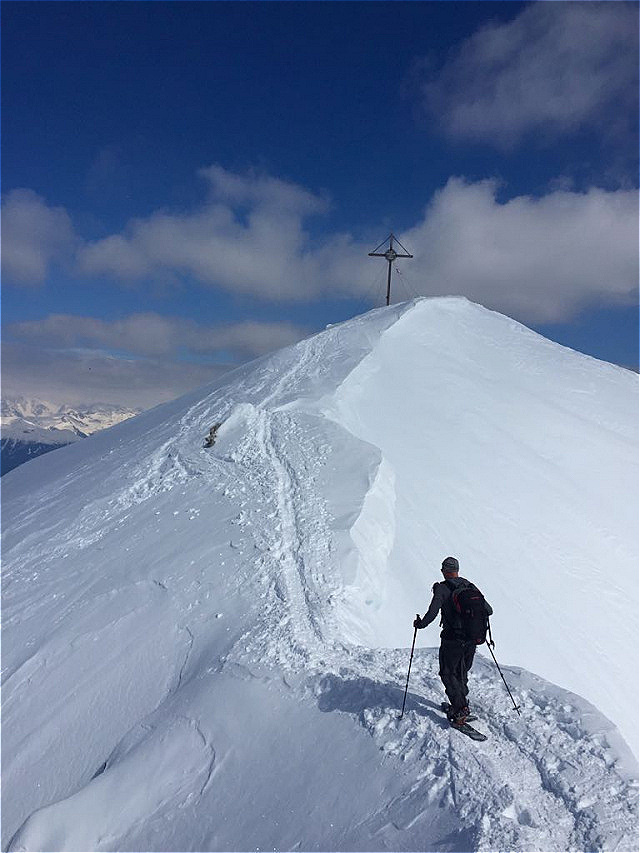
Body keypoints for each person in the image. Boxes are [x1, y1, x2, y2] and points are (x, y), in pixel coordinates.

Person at [413, 556, 493, 726]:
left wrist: (420, 624)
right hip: (471, 639)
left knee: (447, 673)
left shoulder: (442, 589)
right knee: (461, 672)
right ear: (457, 570)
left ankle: (460, 709)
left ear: (444, 571)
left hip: (452, 639)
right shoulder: (469, 585)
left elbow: (432, 613)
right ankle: (461, 702)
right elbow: (489, 610)